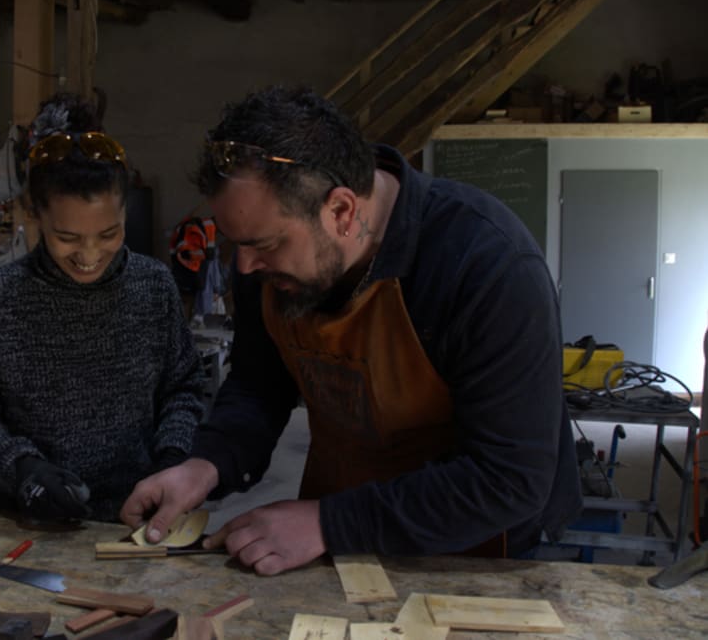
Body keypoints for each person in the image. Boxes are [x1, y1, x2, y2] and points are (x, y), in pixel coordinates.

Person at [121, 85, 582, 574]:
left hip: (470, 547)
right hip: (336, 531)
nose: (246, 266)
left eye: (265, 245)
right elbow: (259, 384)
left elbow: (509, 479)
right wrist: (206, 464)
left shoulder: (487, 265)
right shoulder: (264, 263)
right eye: (237, 244)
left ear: (341, 211)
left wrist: (328, 523)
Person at [0, 92, 205, 523]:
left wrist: (172, 460)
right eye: (67, 237)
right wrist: (21, 469)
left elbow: (183, 388)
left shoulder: (153, 286)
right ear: (35, 213)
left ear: (125, 210)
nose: (90, 255)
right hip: (28, 522)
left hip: (137, 517)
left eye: (109, 233)